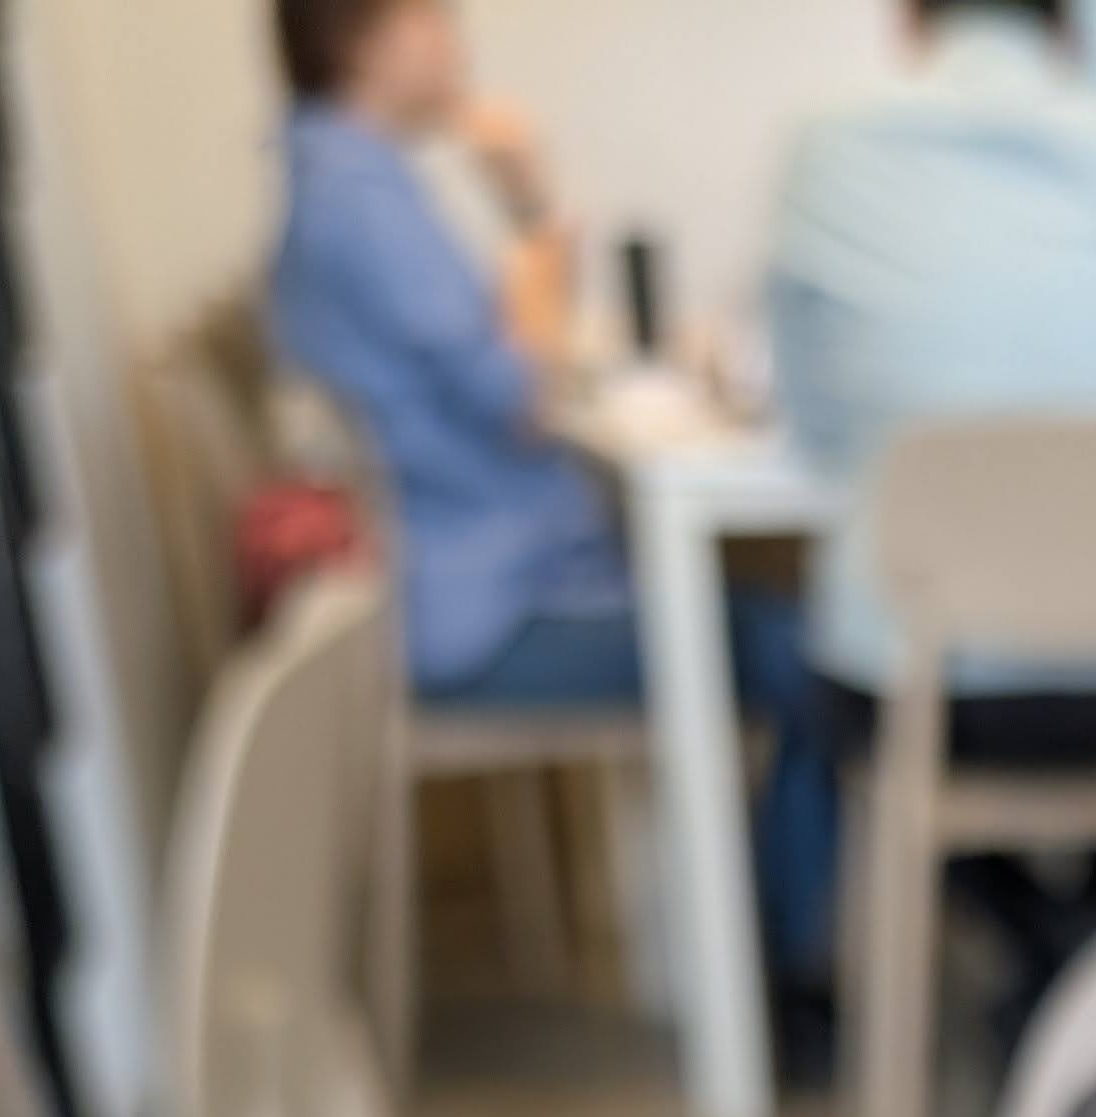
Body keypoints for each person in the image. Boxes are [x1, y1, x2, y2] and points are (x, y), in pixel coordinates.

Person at [267, 0, 839, 984]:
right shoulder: (358, 199)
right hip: (483, 616)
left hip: (473, 584)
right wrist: (533, 209)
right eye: (436, 17)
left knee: (775, 624)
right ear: (367, 36)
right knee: (807, 651)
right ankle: (778, 973)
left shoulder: (338, 180)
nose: (458, 41)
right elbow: (522, 396)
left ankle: (763, 951)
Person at [767, 0, 1096, 1051]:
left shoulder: (827, 151)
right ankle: (1083, 960)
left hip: (933, 693)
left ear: (909, 23)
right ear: (1073, 33)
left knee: (850, 688)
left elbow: (817, 430)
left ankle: (1041, 954)